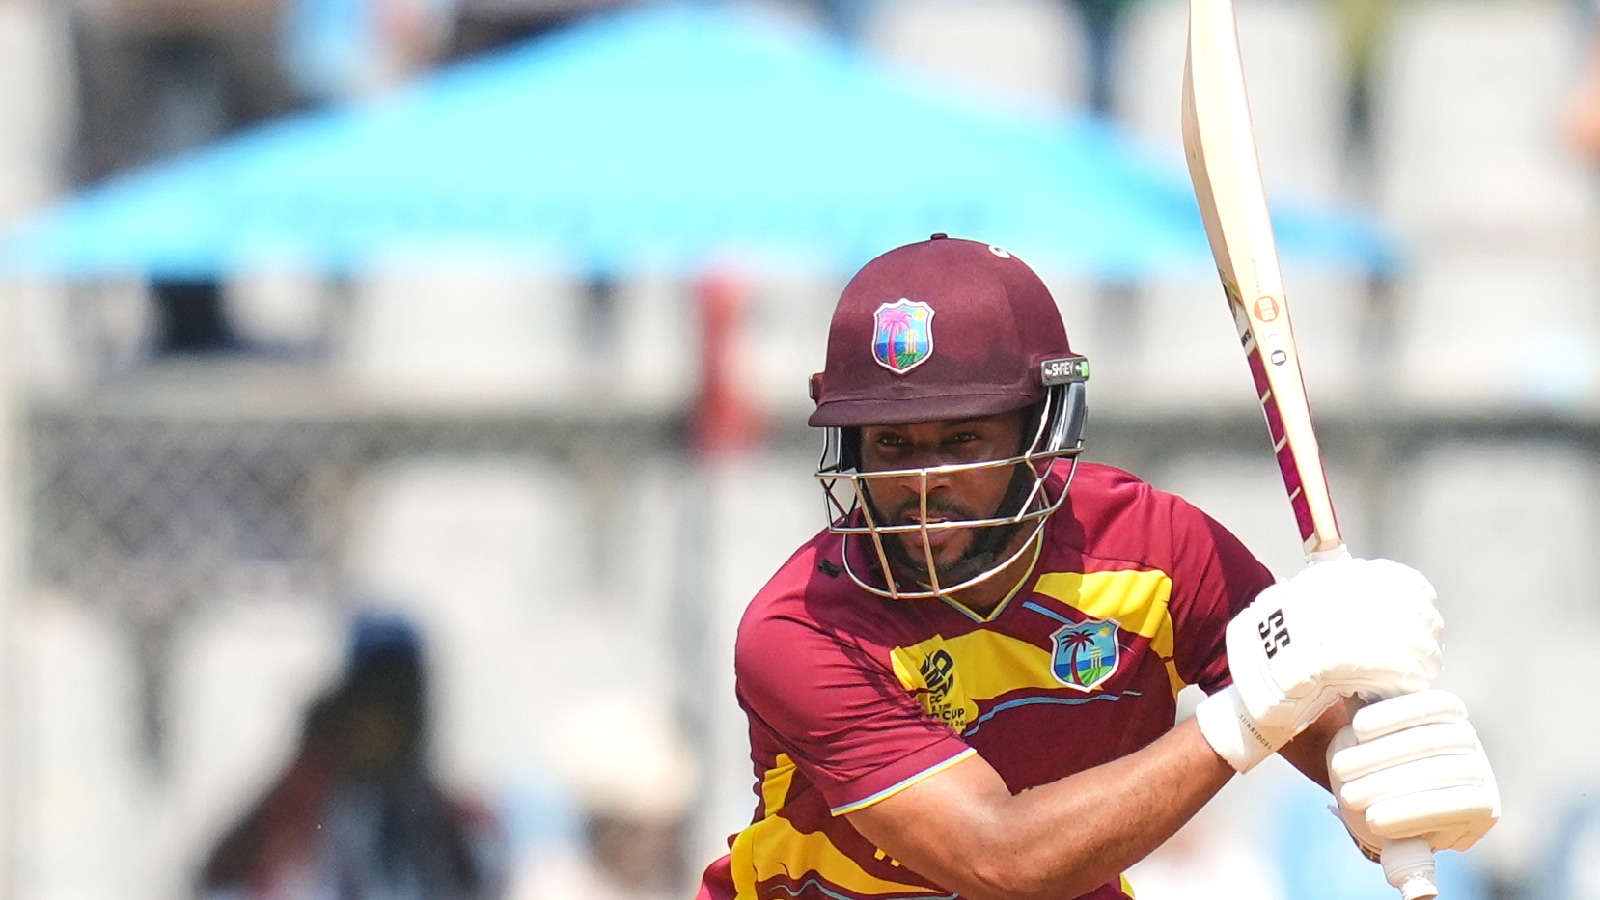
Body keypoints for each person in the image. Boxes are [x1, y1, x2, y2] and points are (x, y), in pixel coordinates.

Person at [694, 235, 1500, 900]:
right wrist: (1245, 717)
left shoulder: (1159, 549)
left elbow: (1318, 720)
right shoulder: (801, 626)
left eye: (963, 439)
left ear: (1039, 427)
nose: (925, 483)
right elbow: (997, 861)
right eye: (893, 445)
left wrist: (1383, 776)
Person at [197, 612, 505, 900]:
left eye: (394, 711)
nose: (377, 730)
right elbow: (221, 879)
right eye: (368, 709)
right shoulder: (309, 792)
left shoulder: (437, 815)